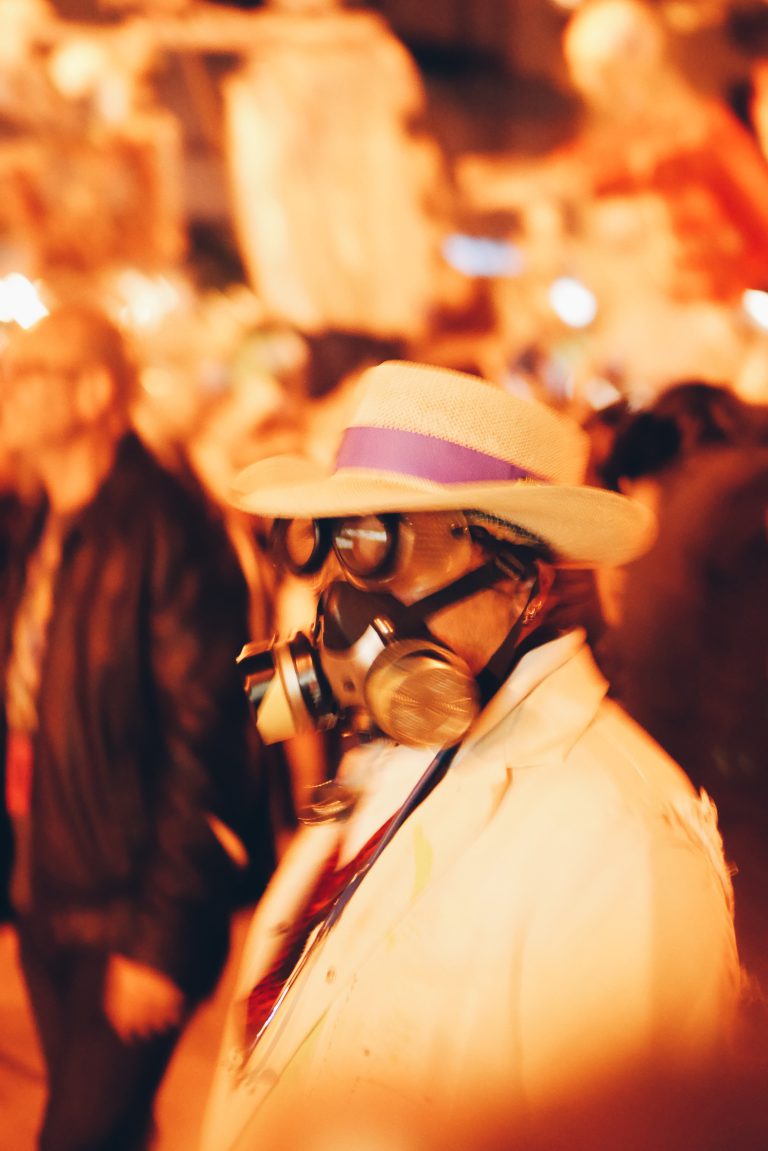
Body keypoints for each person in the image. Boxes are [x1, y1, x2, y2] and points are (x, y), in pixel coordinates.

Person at [200, 361, 740, 1151]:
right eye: (339, 547)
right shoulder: (396, 759)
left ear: (525, 581)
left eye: (388, 549)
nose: (350, 601)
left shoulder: (623, 842)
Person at [0, 303, 274, 1151]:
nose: (9, 389)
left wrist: (160, 941)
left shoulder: (168, 528)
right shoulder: (36, 525)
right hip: (48, 897)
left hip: (132, 911)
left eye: (30, 372)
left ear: (93, 392)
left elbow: (209, 743)